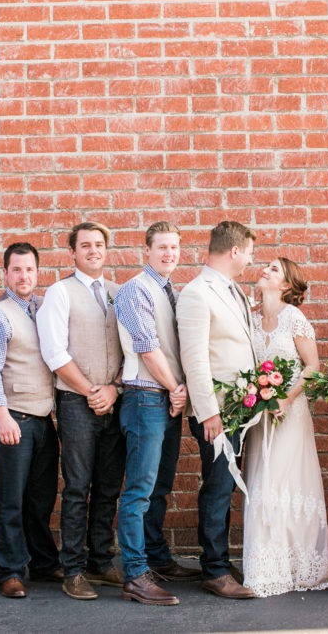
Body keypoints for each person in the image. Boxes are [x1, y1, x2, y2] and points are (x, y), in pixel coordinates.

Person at [37, 222, 125, 600]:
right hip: (77, 402)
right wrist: (92, 391)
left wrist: (114, 389)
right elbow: (55, 353)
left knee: (108, 486)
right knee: (77, 488)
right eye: (85, 245)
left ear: (107, 250)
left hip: (114, 399)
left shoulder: (118, 292)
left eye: (99, 244)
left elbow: (133, 349)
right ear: (71, 252)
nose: (93, 250)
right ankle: (72, 569)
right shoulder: (59, 292)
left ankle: (100, 562)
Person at [113, 221, 198, 607]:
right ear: (145, 251)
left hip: (166, 401)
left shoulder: (172, 292)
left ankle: (157, 559)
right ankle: (135, 574)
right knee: (139, 492)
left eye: (175, 248)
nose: (169, 254)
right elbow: (148, 349)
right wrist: (176, 388)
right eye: (162, 247)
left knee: (160, 488)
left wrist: (177, 394)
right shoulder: (135, 290)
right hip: (145, 399)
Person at [0, 242, 62, 599]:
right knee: (10, 499)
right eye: (16, 270)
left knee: (40, 498)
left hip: (43, 419)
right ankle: (9, 570)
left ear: (37, 273)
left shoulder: (42, 309)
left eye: (29, 270)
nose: (23, 276)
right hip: (13, 419)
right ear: (5, 273)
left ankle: (42, 563)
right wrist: (1, 415)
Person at [177, 220, 258, 600]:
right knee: (217, 487)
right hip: (217, 413)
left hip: (237, 409)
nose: (250, 261)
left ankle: (220, 561)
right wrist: (209, 413)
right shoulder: (197, 293)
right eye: (250, 253)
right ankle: (213, 569)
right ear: (235, 251)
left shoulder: (232, 289)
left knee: (223, 486)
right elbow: (195, 359)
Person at [242, 257, 328, 597]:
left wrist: (286, 398)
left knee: (279, 481)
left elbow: (312, 366)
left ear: (287, 285)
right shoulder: (248, 317)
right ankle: (266, 566)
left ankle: (297, 566)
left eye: (274, 269)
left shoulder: (294, 319)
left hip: (289, 414)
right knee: (260, 480)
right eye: (265, 265)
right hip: (258, 417)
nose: (265, 269)